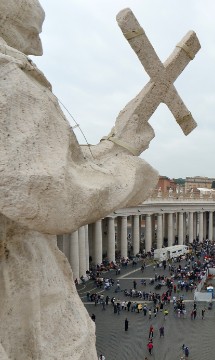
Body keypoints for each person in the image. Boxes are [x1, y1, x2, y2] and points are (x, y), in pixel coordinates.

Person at [0, 1, 159, 358]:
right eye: (32, 33)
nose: (37, 48)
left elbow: (56, 166)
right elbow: (50, 193)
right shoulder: (7, 77)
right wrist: (125, 166)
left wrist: (114, 146)